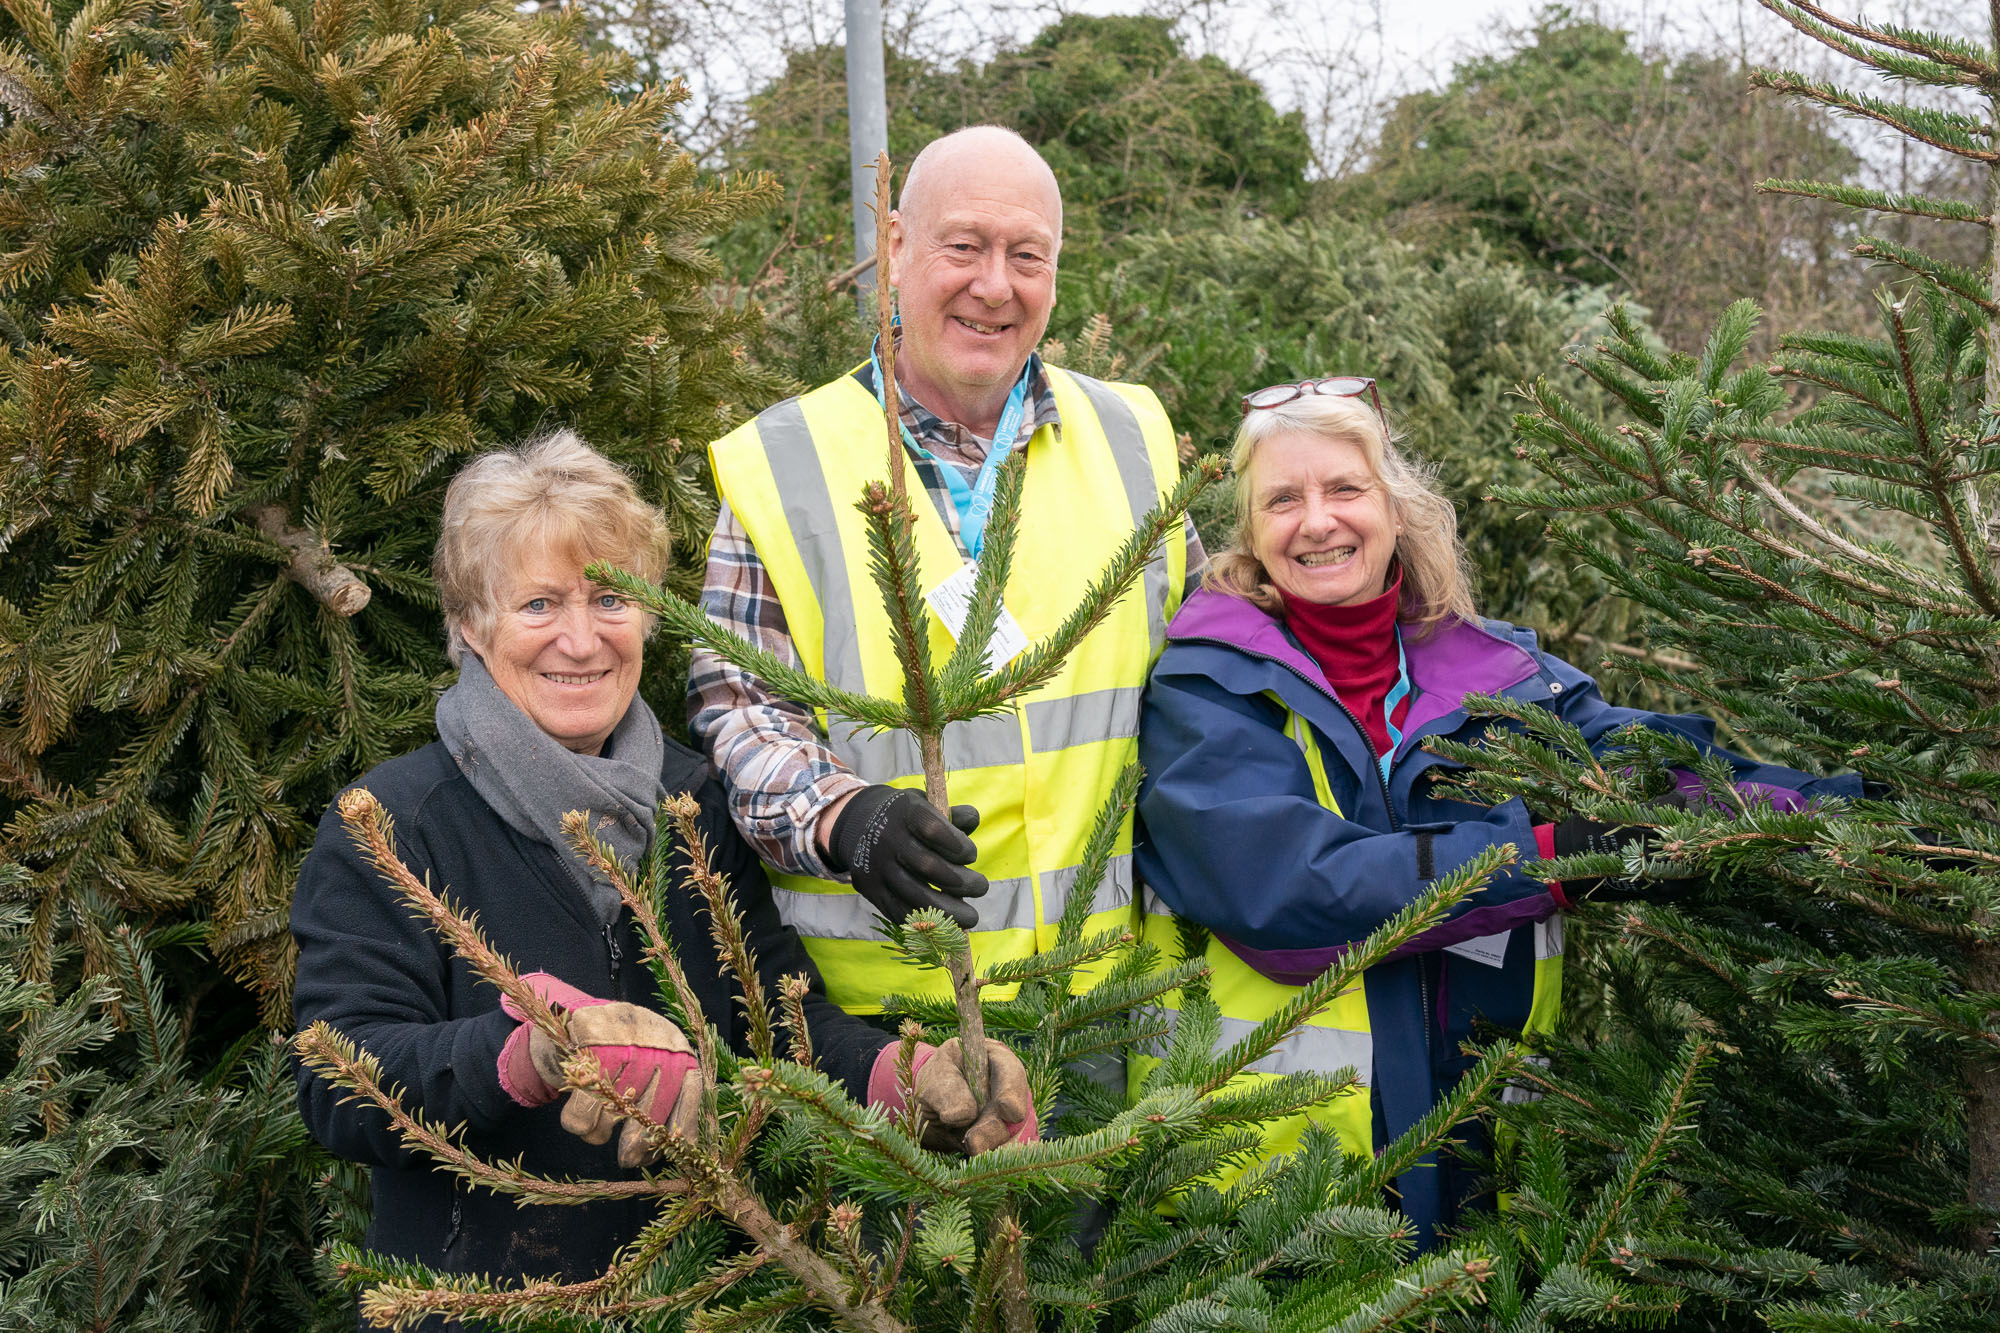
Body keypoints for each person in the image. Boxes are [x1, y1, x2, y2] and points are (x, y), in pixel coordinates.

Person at [292, 433, 1031, 1312]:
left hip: (702, 1299)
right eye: (537, 603)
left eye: (610, 596)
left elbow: (775, 1014)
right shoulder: (392, 825)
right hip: (484, 1308)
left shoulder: (693, 799)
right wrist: (527, 1050)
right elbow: (338, 1080)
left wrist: (901, 1078)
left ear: (646, 614)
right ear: (470, 626)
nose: (581, 637)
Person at [1131, 380, 1861, 1241]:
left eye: (1344, 489)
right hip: (1270, 1209)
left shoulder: (1496, 674)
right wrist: (1543, 859)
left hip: (1489, 1180)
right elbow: (1286, 895)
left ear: (1396, 508)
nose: (1317, 521)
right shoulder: (1208, 684)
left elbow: (1651, 766)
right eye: (1282, 500)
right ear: (1250, 535)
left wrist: (1850, 816)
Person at [693, 126, 1203, 1018]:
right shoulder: (782, 463)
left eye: (1026, 256)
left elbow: (1218, 666)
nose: (994, 286)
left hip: (1112, 1012)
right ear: (894, 248)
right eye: (962, 246)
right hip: (881, 1037)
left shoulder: (1134, 439)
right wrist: (841, 816)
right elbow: (740, 710)